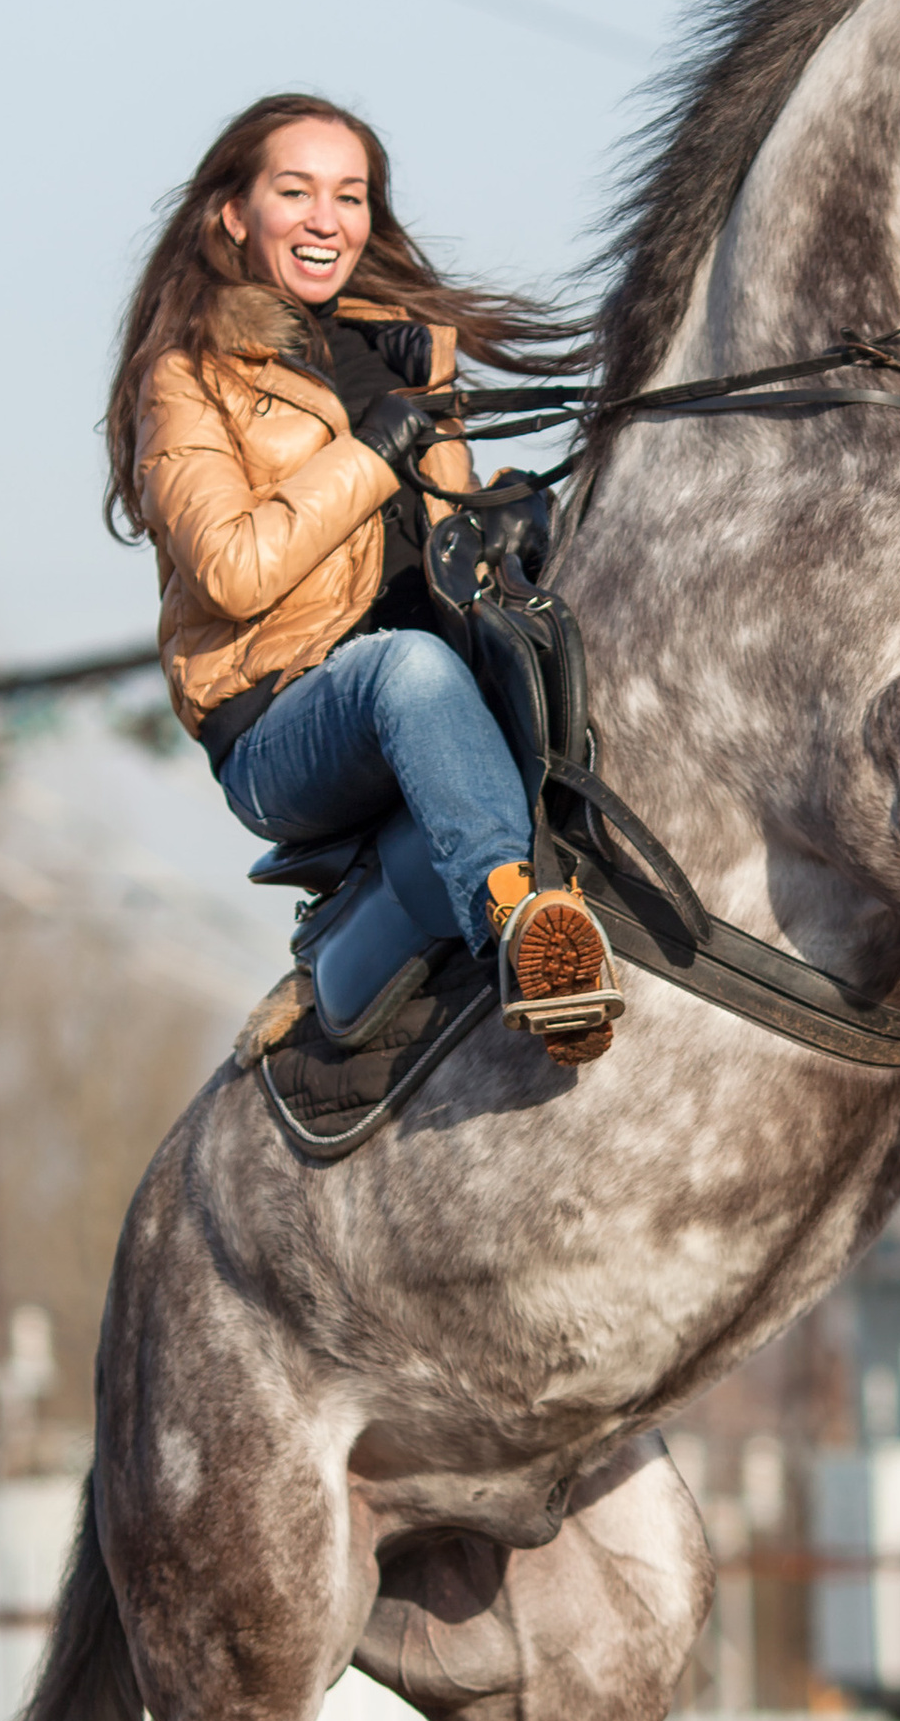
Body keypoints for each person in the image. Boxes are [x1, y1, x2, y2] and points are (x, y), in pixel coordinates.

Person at [104, 93, 618, 1064]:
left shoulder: (409, 353)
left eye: (350, 195)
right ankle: (521, 925)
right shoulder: (186, 378)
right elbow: (232, 570)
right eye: (295, 191)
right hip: (281, 727)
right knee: (407, 667)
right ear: (235, 214)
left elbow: (434, 550)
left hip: (439, 682)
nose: (326, 219)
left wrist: (508, 520)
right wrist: (373, 454)